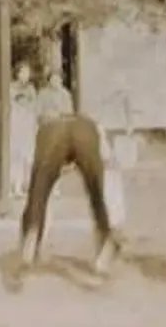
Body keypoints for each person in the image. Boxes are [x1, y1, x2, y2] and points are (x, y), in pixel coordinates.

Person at [19, 110, 121, 278]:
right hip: (85, 130)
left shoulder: (45, 129)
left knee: (38, 192)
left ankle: (31, 239)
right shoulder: (88, 124)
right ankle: (104, 244)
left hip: (53, 134)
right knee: (96, 194)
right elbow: (106, 162)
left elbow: (34, 177)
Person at [9, 63, 38, 198]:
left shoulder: (31, 89)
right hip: (16, 123)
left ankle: (27, 186)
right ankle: (15, 186)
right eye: (22, 72)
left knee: (28, 156)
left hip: (27, 123)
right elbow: (11, 104)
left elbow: (34, 106)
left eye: (27, 73)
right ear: (17, 73)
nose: (25, 76)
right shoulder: (11, 87)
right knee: (16, 157)